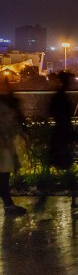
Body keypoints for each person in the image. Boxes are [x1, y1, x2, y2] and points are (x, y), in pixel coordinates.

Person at [48, 71, 78, 208]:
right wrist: (76, 136)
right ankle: (75, 198)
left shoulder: (58, 97)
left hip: (58, 137)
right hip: (62, 138)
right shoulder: (63, 98)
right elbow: (65, 121)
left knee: (62, 168)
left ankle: (41, 203)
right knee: (67, 168)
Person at [0, 77, 27, 215]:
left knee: (4, 174)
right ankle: (8, 204)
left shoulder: (9, 102)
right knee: (4, 175)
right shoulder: (9, 103)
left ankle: (8, 203)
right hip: (4, 144)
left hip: (6, 143)